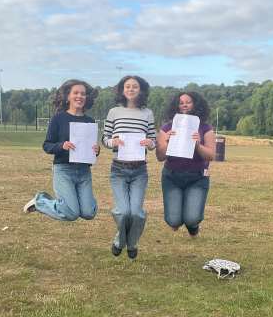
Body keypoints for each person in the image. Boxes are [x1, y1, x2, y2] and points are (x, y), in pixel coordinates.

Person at [24, 79, 101, 222]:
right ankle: (40, 202)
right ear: (67, 97)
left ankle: (80, 202)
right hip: (64, 170)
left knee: (89, 213)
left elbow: (92, 148)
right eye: (75, 93)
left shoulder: (90, 121)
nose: (80, 96)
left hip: (84, 171)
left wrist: (96, 149)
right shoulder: (58, 118)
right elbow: (47, 145)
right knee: (71, 213)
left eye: (83, 94)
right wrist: (61, 146)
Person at [102, 75, 156, 259]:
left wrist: (150, 143)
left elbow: (153, 140)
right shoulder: (113, 112)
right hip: (118, 169)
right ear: (122, 90)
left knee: (136, 213)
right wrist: (112, 142)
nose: (131, 89)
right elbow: (105, 139)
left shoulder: (147, 113)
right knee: (124, 212)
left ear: (141, 90)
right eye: (127, 86)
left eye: (135, 86)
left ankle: (130, 242)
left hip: (140, 170)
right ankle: (121, 240)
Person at [155, 91, 215, 239]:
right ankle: (178, 217)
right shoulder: (167, 127)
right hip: (172, 176)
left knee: (192, 218)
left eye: (188, 102)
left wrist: (198, 146)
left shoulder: (205, 127)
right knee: (173, 221)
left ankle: (192, 226)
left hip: (198, 177)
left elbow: (211, 156)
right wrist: (167, 142)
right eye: (181, 102)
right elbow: (160, 157)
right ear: (176, 105)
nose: (184, 105)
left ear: (196, 104)